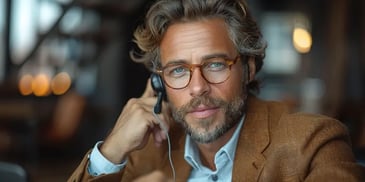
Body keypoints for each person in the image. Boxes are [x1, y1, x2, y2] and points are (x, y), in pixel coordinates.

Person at [68, 0, 365, 181]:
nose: (197, 87)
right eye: (178, 70)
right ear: (159, 83)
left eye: (215, 65)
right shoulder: (144, 153)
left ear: (248, 69)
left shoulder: (313, 142)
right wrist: (110, 151)